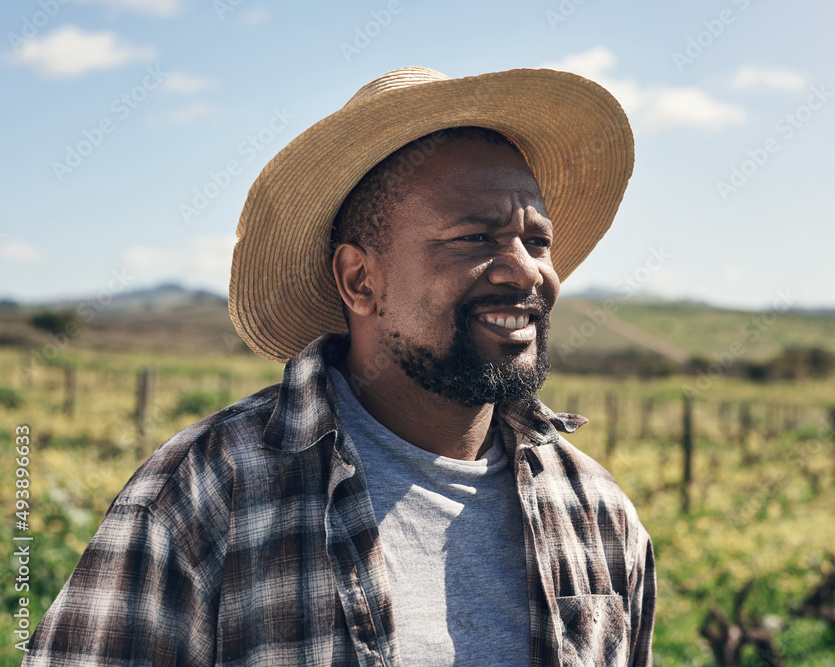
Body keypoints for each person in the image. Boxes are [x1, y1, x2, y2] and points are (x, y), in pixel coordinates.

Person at [25, 66, 656, 666]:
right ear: (359, 280)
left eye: (537, 240)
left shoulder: (596, 514)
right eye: (474, 238)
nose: (527, 270)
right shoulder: (210, 491)